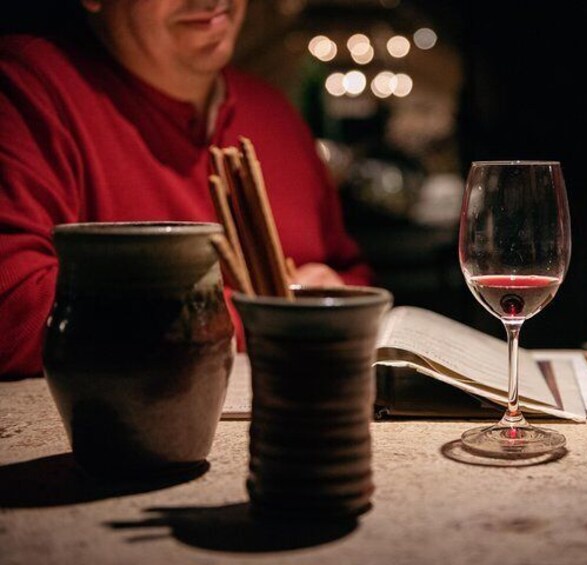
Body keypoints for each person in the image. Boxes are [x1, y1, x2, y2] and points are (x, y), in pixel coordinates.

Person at [0, 0, 372, 378]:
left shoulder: (273, 112)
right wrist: (265, 318)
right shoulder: (27, 88)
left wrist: (331, 296)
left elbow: (350, 273)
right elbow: (14, 311)